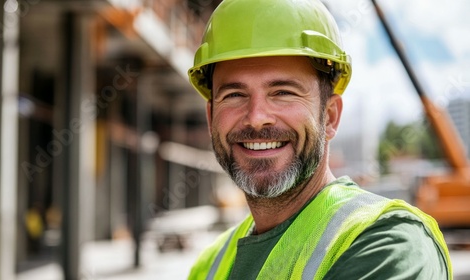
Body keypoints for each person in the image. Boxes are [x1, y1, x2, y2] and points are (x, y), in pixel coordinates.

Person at [186, 0, 453, 279]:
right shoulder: (210, 263)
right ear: (211, 117)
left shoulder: (389, 244)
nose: (256, 118)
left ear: (330, 117)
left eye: (283, 92)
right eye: (234, 95)